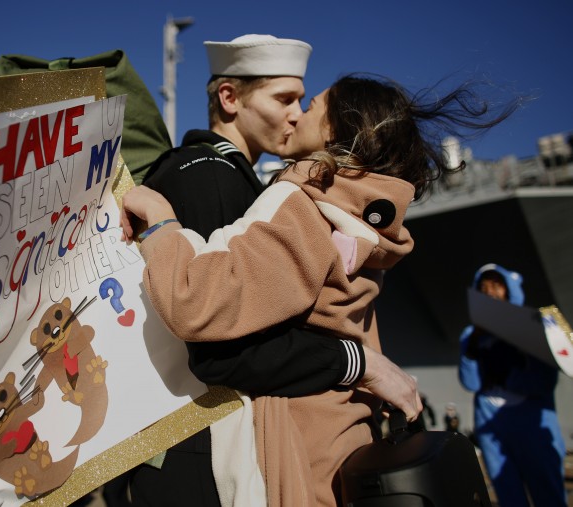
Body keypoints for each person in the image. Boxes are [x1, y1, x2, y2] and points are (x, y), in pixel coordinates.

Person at [121, 74, 517, 505]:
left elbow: (195, 304)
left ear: (334, 131)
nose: (297, 114)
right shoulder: (363, 213)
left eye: (310, 105)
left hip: (291, 449)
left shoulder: (308, 196)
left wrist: (161, 222)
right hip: (340, 439)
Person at [105, 35, 421, 507]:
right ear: (229, 99)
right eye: (284, 99)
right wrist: (359, 363)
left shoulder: (274, 188)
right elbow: (224, 348)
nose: (296, 113)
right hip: (199, 453)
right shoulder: (210, 173)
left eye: (303, 101)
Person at [459, 263, 567, 507]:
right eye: (483, 287)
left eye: (497, 285)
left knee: (548, 493)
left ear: (510, 288)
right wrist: (470, 349)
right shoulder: (471, 334)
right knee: (509, 497)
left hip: (530, 425)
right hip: (491, 427)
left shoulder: (535, 326)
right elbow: (471, 382)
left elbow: (544, 382)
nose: (490, 292)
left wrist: (507, 375)